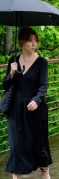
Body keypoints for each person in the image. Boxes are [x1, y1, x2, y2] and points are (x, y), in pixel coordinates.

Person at [2, 26, 52, 179]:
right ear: (22, 42)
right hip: (16, 110)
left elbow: (43, 86)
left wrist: (37, 100)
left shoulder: (41, 62)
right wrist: (11, 73)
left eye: (35, 41)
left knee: (38, 143)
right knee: (17, 145)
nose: (33, 44)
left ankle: (45, 170)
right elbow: (5, 85)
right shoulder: (13, 61)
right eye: (30, 41)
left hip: (35, 109)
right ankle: (17, 175)